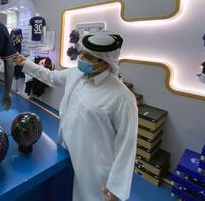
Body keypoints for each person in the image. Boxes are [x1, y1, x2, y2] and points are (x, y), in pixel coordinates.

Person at [14, 32, 138, 201]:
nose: (81, 58)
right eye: (82, 53)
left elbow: (127, 144)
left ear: (104, 62)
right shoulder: (76, 74)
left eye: (88, 56)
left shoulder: (122, 97)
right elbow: (51, 76)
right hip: (64, 155)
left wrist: (116, 188)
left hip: (94, 170)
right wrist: (25, 63)